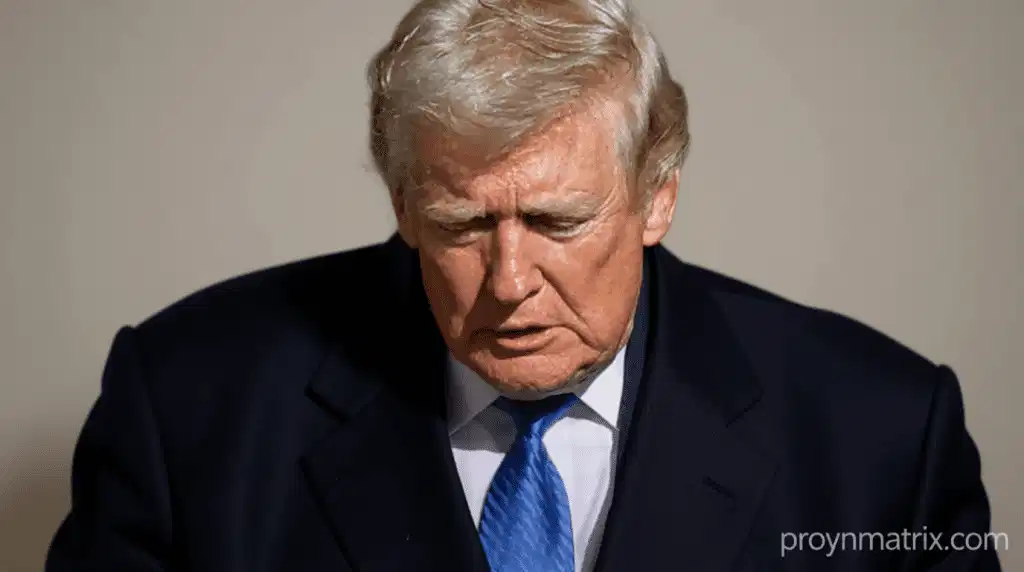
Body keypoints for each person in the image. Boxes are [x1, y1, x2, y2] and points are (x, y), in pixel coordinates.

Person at [46, 0, 1001, 570]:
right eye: (463, 225)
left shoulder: (883, 435)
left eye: (557, 222)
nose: (508, 284)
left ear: (657, 197)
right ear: (403, 204)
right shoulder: (184, 406)